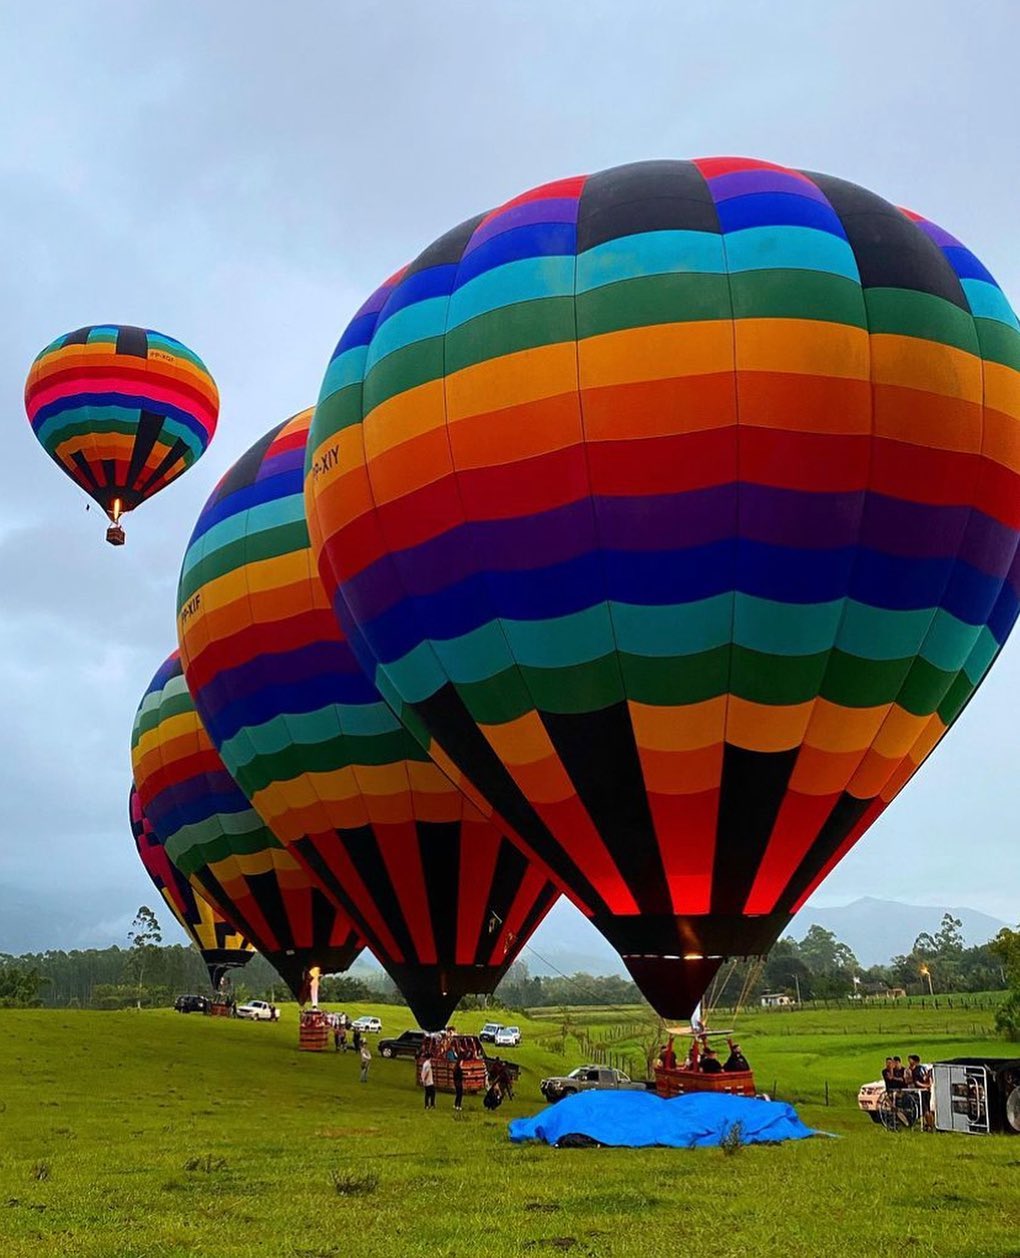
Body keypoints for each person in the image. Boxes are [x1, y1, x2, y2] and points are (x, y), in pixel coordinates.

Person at [908, 1054, 934, 1129]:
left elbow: (917, 1082)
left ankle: (930, 1125)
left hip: (922, 1091)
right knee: (928, 1108)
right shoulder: (924, 1068)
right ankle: (930, 1124)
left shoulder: (915, 1070)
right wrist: (929, 1085)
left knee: (925, 1109)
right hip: (927, 1090)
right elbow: (929, 1077)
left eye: (910, 1060)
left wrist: (925, 1086)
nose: (909, 1062)